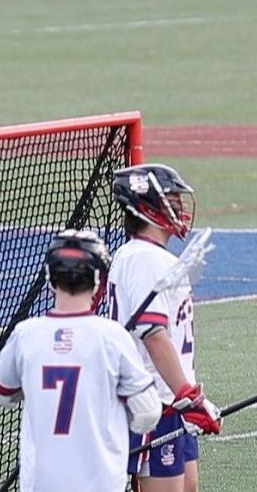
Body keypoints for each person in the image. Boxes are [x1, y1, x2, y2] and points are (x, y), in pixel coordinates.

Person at [0, 229, 162, 492]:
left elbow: (3, 392)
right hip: (101, 483)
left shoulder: (26, 335)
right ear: (97, 278)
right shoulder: (113, 337)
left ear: (50, 276)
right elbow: (148, 414)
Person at [107, 163, 221, 492]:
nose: (179, 206)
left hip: (172, 400)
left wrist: (186, 396)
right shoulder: (144, 259)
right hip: (155, 402)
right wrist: (189, 397)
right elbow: (153, 336)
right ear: (148, 206)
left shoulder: (149, 257)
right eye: (171, 198)